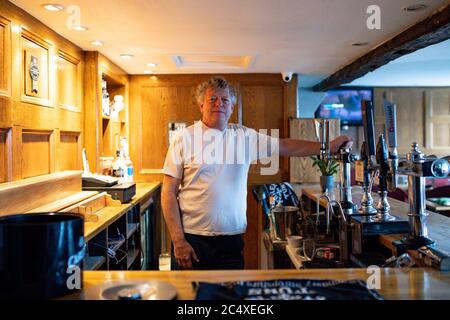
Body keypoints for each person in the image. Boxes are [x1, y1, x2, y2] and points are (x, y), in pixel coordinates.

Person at [161, 77, 352, 270]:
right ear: (201, 105)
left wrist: (327, 147)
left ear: (232, 107)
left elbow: (285, 145)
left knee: (230, 297)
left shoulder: (244, 136)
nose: (219, 104)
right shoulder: (183, 139)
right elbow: (168, 192)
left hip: (231, 241)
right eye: (213, 99)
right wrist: (178, 241)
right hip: (192, 240)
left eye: (225, 100)